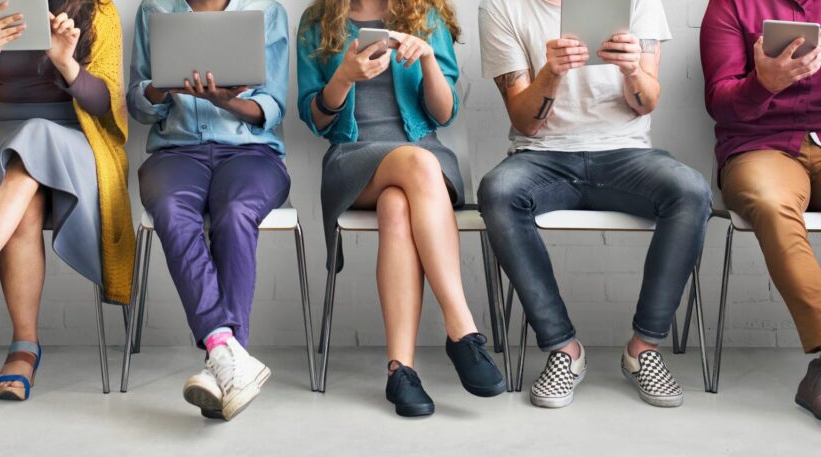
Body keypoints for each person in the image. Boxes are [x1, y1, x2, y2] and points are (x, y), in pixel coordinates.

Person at [477, 0, 711, 408]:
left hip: (626, 154)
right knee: (498, 190)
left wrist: (633, 68)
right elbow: (524, 120)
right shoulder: (502, 7)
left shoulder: (639, 2)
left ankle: (644, 350)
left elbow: (647, 101)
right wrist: (551, 74)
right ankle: (564, 351)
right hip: (543, 155)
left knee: (690, 190)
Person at [297, 0, 505, 417]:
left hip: (422, 156)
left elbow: (444, 115)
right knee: (417, 164)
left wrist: (427, 58)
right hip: (354, 159)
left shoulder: (425, 16)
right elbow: (316, 119)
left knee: (396, 205)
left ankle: (400, 370)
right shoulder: (318, 19)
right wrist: (343, 77)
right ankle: (461, 327)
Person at [0, 0, 133, 401]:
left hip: (76, 145)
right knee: (23, 202)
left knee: (35, 135)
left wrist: (66, 62)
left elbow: (105, 104)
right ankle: (24, 347)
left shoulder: (100, 11)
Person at [128, 0, 289, 420]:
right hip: (175, 153)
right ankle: (226, 353)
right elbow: (138, 104)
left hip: (252, 154)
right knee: (169, 207)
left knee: (236, 212)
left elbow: (271, 108)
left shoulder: (265, 10)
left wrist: (225, 102)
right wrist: (162, 88)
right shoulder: (156, 9)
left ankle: (221, 360)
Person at [701, 0, 821, 421]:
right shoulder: (731, 6)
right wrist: (763, 84)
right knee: (772, 204)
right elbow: (719, 101)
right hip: (759, 148)